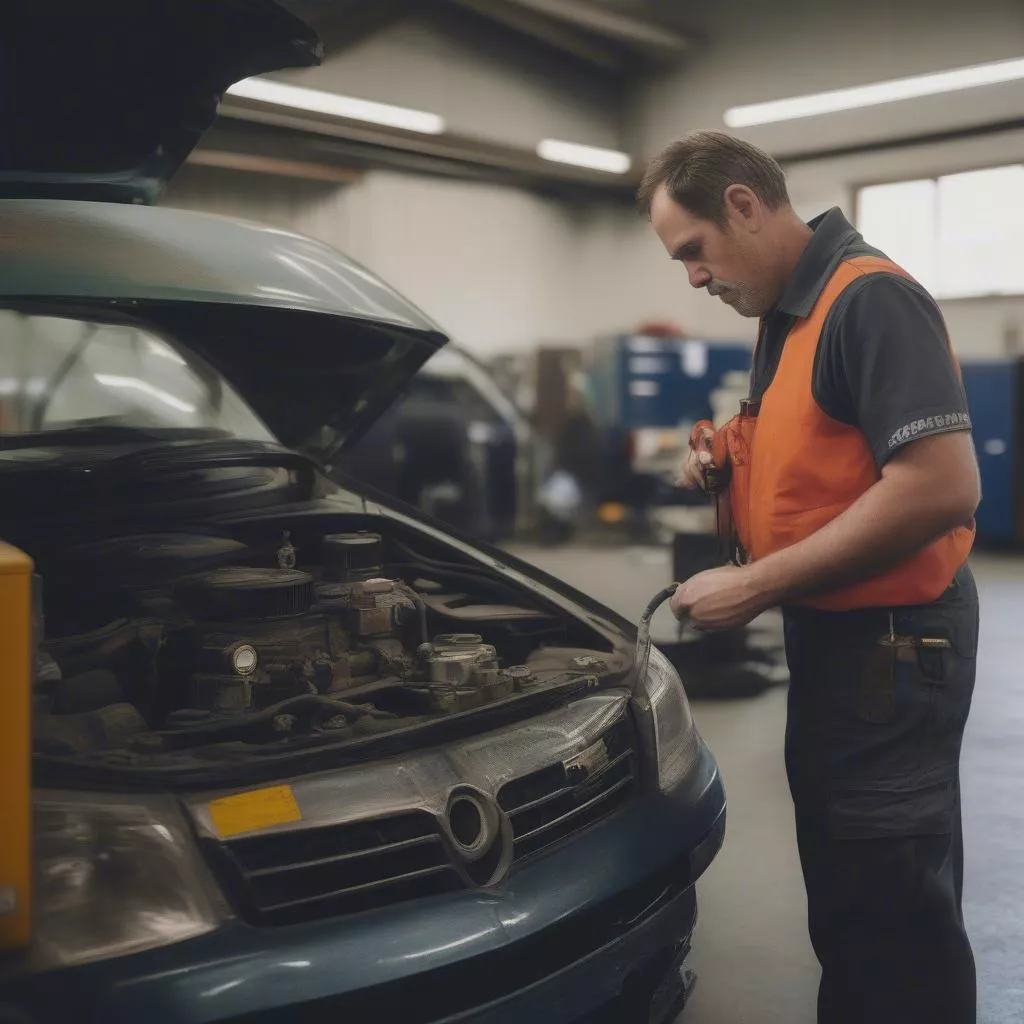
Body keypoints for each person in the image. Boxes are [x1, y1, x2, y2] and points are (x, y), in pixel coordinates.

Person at [636, 130, 980, 1024]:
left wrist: (756, 584)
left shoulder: (868, 299)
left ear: (743, 205)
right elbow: (823, 451)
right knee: (851, 897)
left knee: (890, 915)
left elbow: (940, 486)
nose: (694, 278)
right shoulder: (789, 314)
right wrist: (726, 464)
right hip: (840, 641)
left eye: (694, 251)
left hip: (891, 649)